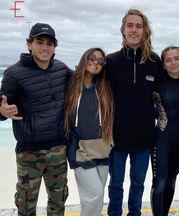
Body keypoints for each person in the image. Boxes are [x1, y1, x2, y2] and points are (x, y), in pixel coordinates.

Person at [0, 23, 72, 216]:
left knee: (58, 202)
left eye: (49, 43)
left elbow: (83, 86)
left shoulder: (61, 69)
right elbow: (2, 105)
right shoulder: (14, 74)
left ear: (54, 47)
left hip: (58, 148)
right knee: (26, 204)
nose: (45, 47)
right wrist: (2, 111)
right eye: (39, 42)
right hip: (29, 151)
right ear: (29, 44)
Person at [106, 8, 163, 216]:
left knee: (138, 183)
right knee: (116, 184)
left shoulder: (155, 62)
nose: (134, 30)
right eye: (129, 25)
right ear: (123, 30)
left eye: (138, 26)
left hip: (144, 137)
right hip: (116, 137)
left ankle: (135, 213)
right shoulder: (111, 61)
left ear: (144, 30)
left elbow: (167, 94)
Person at [64, 47, 114, 216]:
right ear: (85, 57)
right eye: (93, 58)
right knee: (94, 195)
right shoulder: (70, 83)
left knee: (97, 197)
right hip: (80, 150)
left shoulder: (104, 87)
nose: (96, 62)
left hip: (103, 148)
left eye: (101, 61)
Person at [151, 46, 179, 216]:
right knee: (159, 182)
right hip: (162, 139)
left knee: (171, 181)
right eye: (168, 60)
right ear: (164, 64)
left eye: (176, 58)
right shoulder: (158, 83)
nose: (173, 63)